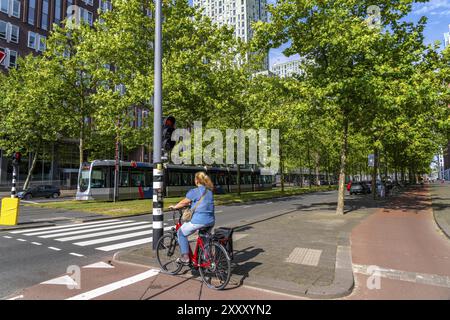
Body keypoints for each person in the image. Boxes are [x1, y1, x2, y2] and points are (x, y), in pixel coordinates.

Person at [169, 171, 215, 265]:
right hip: (210, 221)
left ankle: (185, 258)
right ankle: (207, 260)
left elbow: (184, 202)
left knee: (181, 233)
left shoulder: (194, 191)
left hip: (199, 221)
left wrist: (175, 207)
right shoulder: (209, 192)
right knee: (204, 239)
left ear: (197, 181)